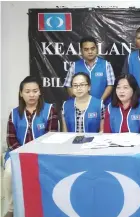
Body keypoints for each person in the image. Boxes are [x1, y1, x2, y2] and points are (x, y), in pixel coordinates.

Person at [3, 76, 59, 217]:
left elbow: (51, 137)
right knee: (9, 174)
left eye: (35, 91)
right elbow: (11, 139)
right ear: (21, 93)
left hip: (43, 154)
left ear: (40, 92)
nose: (32, 94)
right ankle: (11, 208)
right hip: (16, 154)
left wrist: (33, 154)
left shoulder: (50, 110)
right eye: (27, 91)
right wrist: (23, 155)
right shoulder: (14, 113)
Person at [64, 36, 115, 105]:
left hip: (101, 107)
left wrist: (99, 102)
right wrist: (79, 100)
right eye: (86, 49)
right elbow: (68, 86)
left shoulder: (106, 65)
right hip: (79, 106)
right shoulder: (74, 66)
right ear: (81, 51)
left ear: (97, 49)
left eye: (92, 48)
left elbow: (110, 85)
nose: (90, 52)